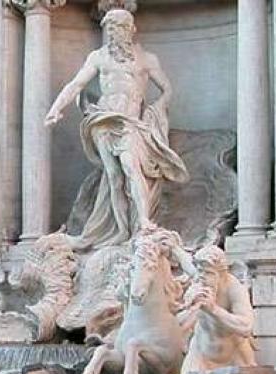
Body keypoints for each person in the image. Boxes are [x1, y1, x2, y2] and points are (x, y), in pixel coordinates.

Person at [46, 8, 188, 250]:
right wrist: (56, 108)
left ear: (131, 29)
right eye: (110, 28)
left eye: (119, 27)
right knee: (113, 176)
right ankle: (122, 229)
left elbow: (167, 89)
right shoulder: (98, 57)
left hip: (130, 122)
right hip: (103, 120)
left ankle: (143, 222)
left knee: (131, 167)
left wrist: (157, 109)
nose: (114, 32)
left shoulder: (146, 59)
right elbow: (76, 83)